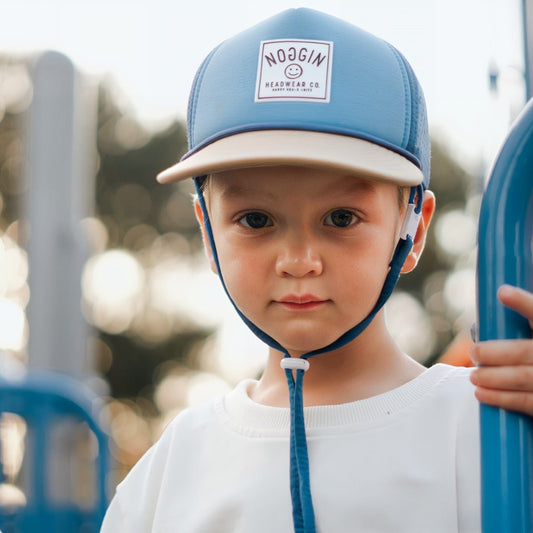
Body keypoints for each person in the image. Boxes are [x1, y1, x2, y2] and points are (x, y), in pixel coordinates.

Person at [101, 8, 533, 532]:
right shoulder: (168, 472)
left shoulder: (492, 430)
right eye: (256, 219)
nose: (299, 261)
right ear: (207, 233)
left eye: (341, 218)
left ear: (413, 231)